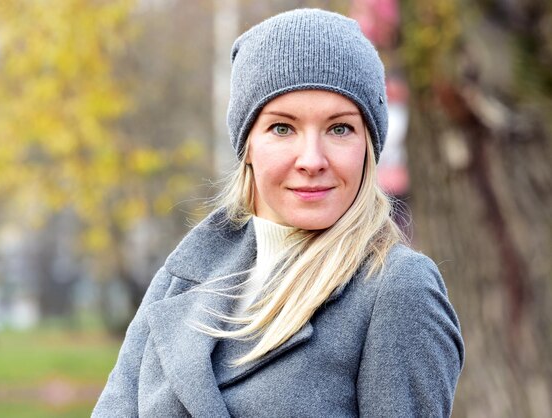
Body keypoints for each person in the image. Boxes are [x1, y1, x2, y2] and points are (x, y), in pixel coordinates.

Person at [92, 8, 464, 418]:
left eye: (339, 128)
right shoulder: (183, 278)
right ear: (247, 145)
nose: (312, 159)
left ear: (368, 147)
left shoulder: (396, 289)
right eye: (282, 128)